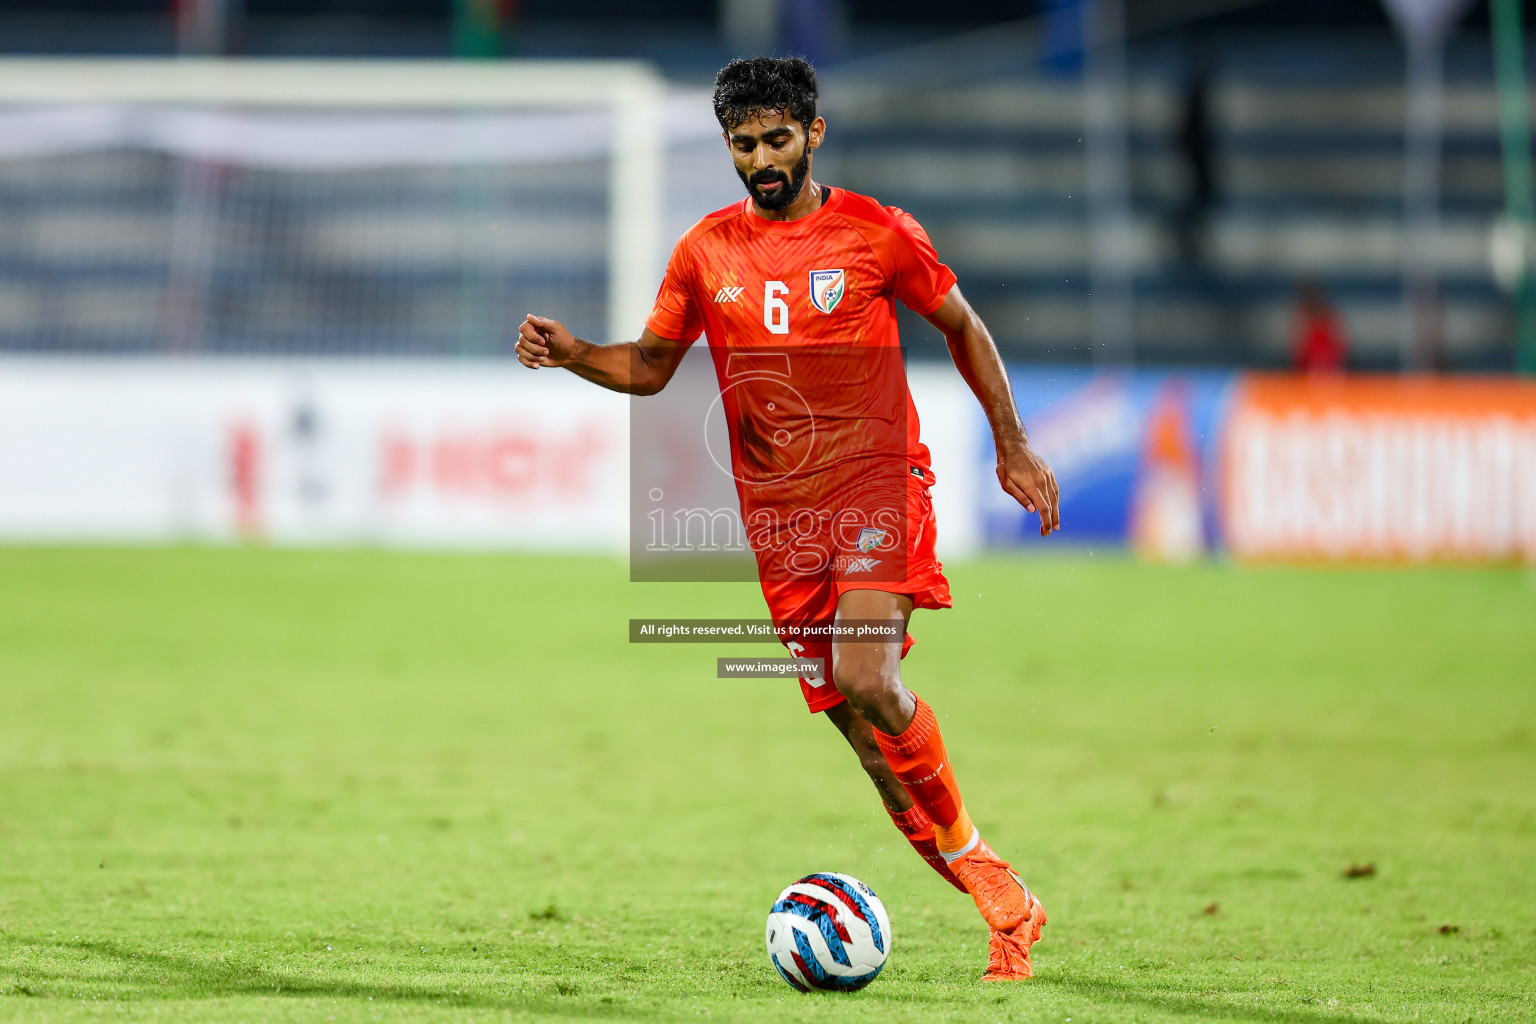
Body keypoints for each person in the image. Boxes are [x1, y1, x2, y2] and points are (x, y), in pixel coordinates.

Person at [515, 56, 1060, 981]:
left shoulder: (877, 233)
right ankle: (998, 896)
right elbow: (650, 367)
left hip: (878, 487)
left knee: (868, 675)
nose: (761, 159)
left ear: (813, 133)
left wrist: (1010, 444)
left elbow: (964, 325)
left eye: (775, 139)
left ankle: (989, 873)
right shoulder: (704, 251)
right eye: (742, 144)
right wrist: (574, 354)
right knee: (868, 744)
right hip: (779, 522)